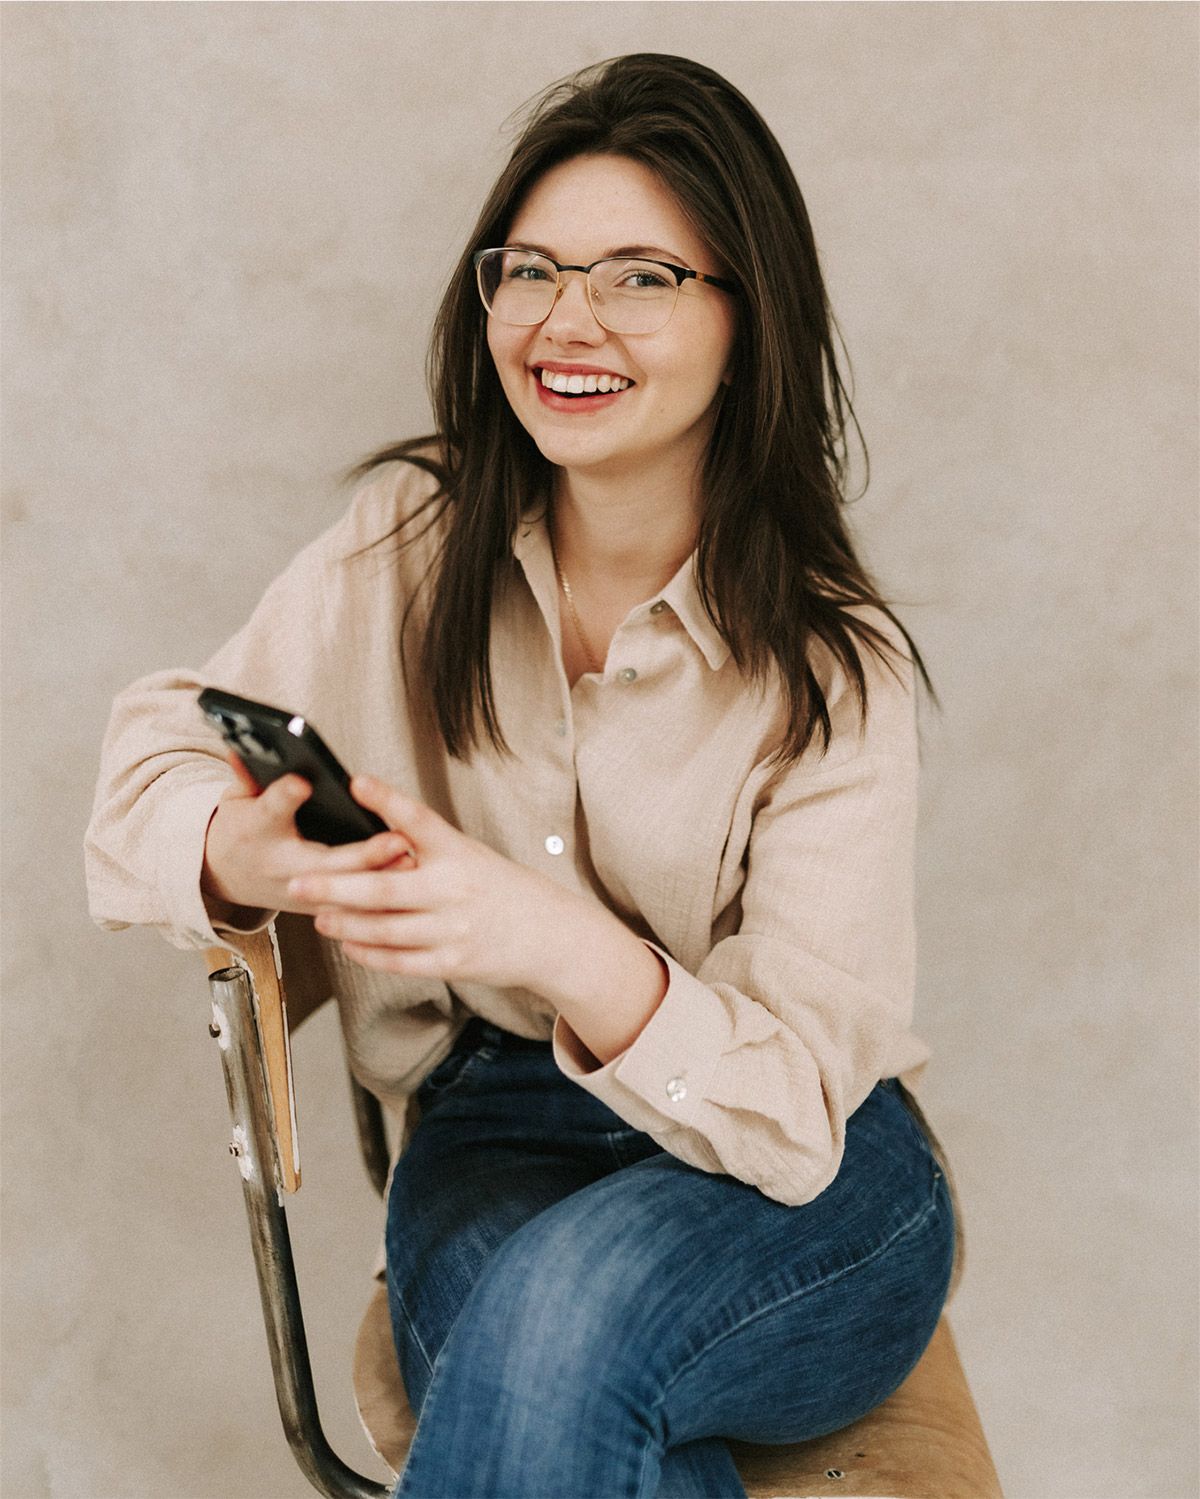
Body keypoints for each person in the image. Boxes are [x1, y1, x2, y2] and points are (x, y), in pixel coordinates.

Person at [86, 52, 962, 1499]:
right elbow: (152, 751)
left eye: (641, 279)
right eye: (532, 270)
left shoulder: (830, 665)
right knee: (563, 1378)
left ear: (749, 321)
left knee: (557, 1323)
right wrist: (241, 856)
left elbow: (802, 1112)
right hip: (495, 1124)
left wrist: (545, 938)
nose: (566, 320)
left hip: (807, 1175)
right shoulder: (409, 547)